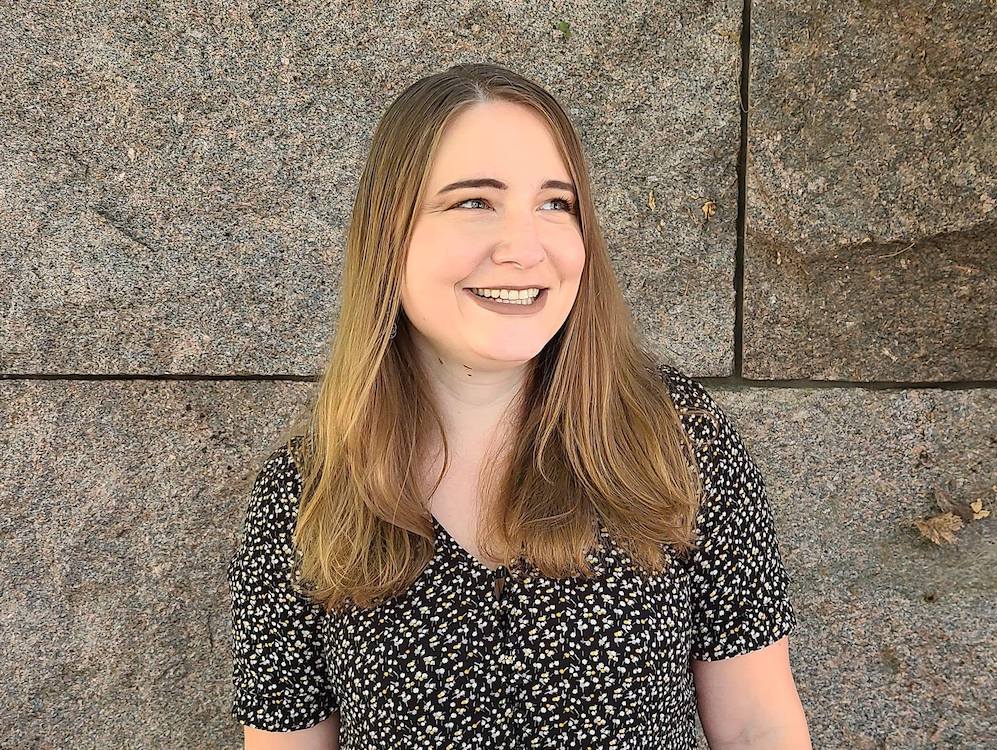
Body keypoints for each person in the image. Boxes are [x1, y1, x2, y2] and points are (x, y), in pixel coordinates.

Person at [227, 62, 812, 749]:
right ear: (388, 234)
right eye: (474, 201)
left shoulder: (673, 440)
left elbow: (755, 727)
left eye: (555, 204)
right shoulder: (306, 494)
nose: (524, 247)